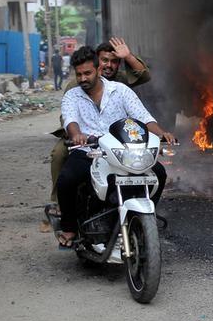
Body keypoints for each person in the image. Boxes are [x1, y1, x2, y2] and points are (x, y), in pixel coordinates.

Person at [55, 47, 173, 247]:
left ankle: (145, 220)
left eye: (87, 73)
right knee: (66, 180)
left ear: (98, 69)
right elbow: (70, 120)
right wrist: (76, 135)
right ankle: (69, 228)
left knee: (159, 173)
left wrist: (161, 133)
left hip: (122, 154)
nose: (83, 78)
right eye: (79, 74)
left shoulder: (120, 91)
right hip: (89, 152)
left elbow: (144, 117)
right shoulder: (72, 96)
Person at [48, 37, 155, 209]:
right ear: (97, 62)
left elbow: (144, 77)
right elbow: (68, 116)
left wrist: (128, 56)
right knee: (60, 155)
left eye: (114, 61)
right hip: (84, 138)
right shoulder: (76, 86)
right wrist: (76, 134)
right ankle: (59, 203)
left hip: (117, 138)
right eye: (105, 60)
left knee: (151, 169)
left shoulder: (120, 82)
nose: (108, 66)